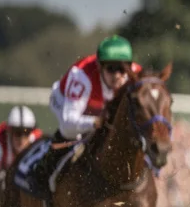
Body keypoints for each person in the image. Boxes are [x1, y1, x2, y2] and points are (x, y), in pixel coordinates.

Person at [14, 36, 141, 193]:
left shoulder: (136, 74)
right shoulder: (81, 77)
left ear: (130, 66)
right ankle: (42, 173)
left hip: (100, 107)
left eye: (122, 69)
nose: (117, 75)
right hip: (66, 104)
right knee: (74, 136)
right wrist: (94, 122)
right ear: (99, 66)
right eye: (111, 69)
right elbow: (68, 125)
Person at [0, 106, 41, 192]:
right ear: (9, 132)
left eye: (26, 132)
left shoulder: (37, 140)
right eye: (18, 132)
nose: (22, 139)